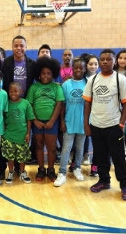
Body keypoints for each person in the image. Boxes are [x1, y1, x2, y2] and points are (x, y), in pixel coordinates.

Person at [83, 49, 126, 201]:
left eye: (108, 59)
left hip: (114, 126)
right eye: (102, 59)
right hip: (96, 125)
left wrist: (122, 123)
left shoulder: (120, 79)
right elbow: (87, 103)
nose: (105, 61)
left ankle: (124, 185)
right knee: (101, 156)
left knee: (118, 158)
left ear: (114, 61)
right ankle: (104, 180)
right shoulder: (93, 79)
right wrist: (86, 124)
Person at [1, 35, 37, 179]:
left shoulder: (32, 64)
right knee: (10, 135)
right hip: (10, 101)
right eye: (16, 45)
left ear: (26, 47)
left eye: (21, 45)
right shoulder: (6, 63)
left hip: (25, 102)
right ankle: (10, 168)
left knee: (24, 136)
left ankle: (21, 168)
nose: (19, 48)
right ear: (12, 47)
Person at [26, 57, 64, 182]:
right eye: (43, 73)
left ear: (53, 74)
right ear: (39, 74)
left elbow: (59, 104)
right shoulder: (33, 88)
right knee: (38, 146)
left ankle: (51, 170)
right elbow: (29, 105)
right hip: (37, 122)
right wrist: (35, 120)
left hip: (51, 122)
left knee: (51, 147)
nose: (45, 76)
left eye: (48, 73)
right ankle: (41, 169)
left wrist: (52, 121)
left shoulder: (56, 87)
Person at [54, 58, 86, 187]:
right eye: (76, 67)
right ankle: (62, 172)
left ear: (84, 69)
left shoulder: (88, 83)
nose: (78, 70)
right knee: (66, 148)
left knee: (80, 147)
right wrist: (62, 121)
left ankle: (77, 167)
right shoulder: (66, 84)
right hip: (69, 122)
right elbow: (62, 105)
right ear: (72, 68)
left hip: (83, 122)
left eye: (81, 68)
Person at [2, 82, 35, 184]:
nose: (13, 93)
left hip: (22, 136)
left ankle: (22, 172)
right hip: (9, 136)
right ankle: (11, 172)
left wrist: (28, 133)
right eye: (11, 91)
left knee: (22, 157)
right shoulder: (6, 103)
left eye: (16, 91)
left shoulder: (26, 103)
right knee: (10, 156)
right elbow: (2, 117)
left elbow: (29, 119)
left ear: (21, 91)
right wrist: (4, 129)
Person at [83, 54, 99, 176]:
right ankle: (83, 155)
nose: (93, 66)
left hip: (98, 113)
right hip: (84, 112)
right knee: (83, 136)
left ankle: (96, 165)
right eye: (91, 64)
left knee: (98, 141)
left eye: (95, 64)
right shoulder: (82, 79)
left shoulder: (100, 78)